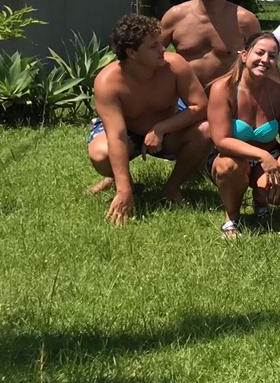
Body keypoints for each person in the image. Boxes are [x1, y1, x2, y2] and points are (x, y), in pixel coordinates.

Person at [86, 14, 211, 225]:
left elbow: (200, 107)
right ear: (132, 53)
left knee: (206, 131)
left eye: (160, 43)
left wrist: (161, 128)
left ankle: (172, 187)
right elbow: (116, 136)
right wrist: (124, 190)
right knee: (101, 154)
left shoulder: (175, 66)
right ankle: (122, 183)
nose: (163, 49)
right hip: (128, 132)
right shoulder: (108, 82)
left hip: (167, 128)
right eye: (153, 47)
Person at [206, 31, 280, 237]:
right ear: (244, 55)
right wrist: (262, 156)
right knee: (229, 167)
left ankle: (261, 206)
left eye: (272, 56)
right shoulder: (223, 88)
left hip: (270, 157)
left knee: (278, 193)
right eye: (260, 53)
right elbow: (221, 140)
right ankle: (231, 219)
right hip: (231, 157)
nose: (265, 60)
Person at [159, 0, 262, 86]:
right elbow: (151, 53)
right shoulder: (175, 16)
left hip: (228, 94)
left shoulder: (245, 20)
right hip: (184, 94)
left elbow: (262, 60)